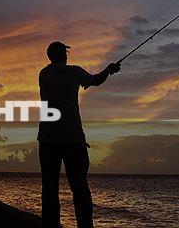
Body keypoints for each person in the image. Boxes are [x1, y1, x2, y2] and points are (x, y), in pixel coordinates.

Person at [37, 41, 121, 228]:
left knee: (49, 188)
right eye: (66, 52)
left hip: (47, 139)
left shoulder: (43, 74)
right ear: (63, 55)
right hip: (73, 139)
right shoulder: (74, 72)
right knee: (80, 187)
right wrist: (109, 70)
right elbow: (96, 80)